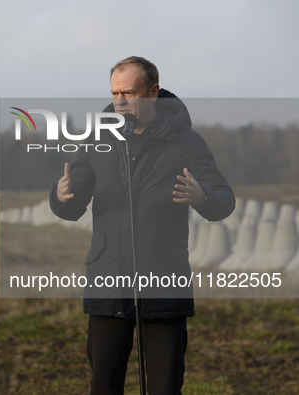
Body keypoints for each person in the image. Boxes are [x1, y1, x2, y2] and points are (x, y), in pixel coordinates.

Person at [49, 56, 235, 394]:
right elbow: (72, 203)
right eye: (114, 92)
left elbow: (225, 201)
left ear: (152, 93)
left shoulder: (187, 143)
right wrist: (61, 198)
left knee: (164, 387)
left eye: (129, 92)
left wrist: (203, 196)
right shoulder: (97, 139)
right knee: (103, 386)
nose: (119, 101)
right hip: (107, 280)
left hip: (164, 279)